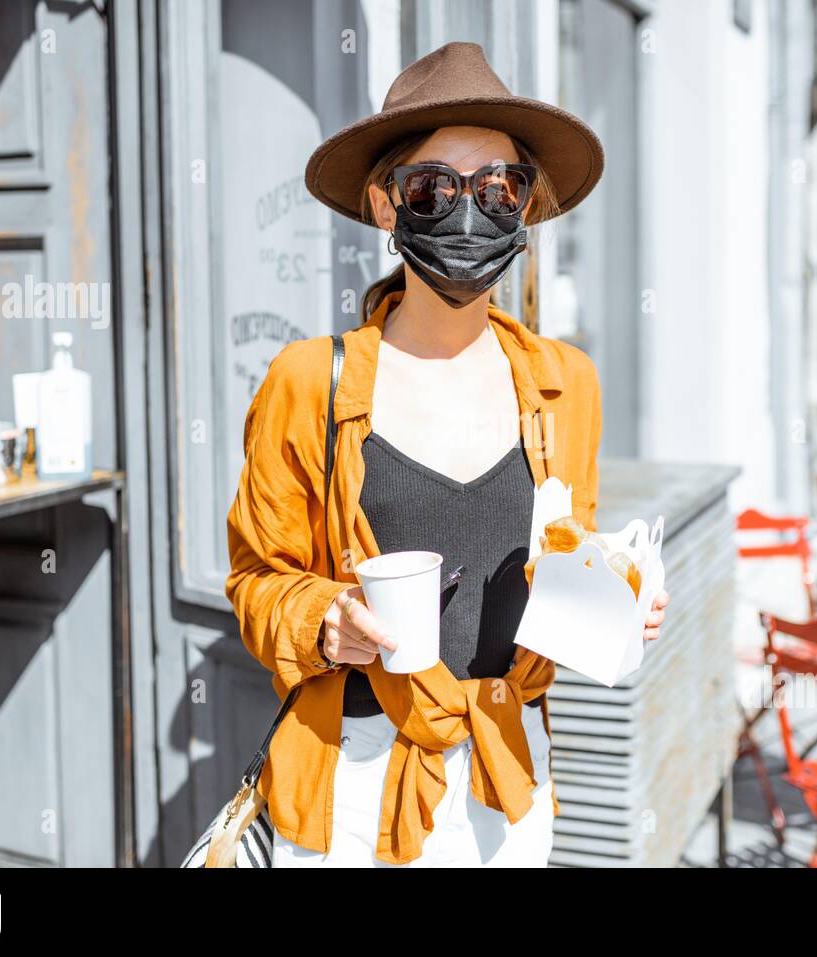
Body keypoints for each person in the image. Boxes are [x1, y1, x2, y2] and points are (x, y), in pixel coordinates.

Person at [225, 41, 668, 868]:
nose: (472, 210)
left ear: (526, 208)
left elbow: (567, 559)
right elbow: (257, 577)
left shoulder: (567, 384)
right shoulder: (305, 382)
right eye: (434, 186)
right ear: (387, 205)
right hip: (351, 785)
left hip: (509, 777)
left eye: (502, 185)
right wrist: (324, 621)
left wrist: (615, 599)